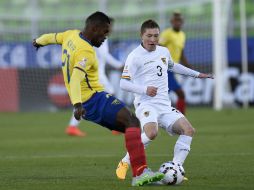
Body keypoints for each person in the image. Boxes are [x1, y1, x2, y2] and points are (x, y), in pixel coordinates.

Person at [32, 11, 164, 186]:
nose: (105, 37)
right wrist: (77, 104)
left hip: (92, 100)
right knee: (132, 122)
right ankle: (140, 173)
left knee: (132, 127)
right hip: (93, 100)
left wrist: (38, 41)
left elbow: (52, 37)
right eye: (104, 32)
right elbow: (77, 78)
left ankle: (140, 171)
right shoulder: (85, 51)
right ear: (94, 28)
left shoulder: (70, 35)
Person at [115, 19, 213, 181]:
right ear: (142, 36)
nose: (153, 39)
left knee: (188, 130)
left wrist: (198, 74)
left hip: (164, 105)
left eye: (156, 36)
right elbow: (123, 83)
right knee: (152, 133)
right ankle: (125, 161)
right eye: (149, 36)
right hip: (145, 104)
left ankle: (175, 168)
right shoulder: (134, 57)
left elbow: (174, 66)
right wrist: (144, 89)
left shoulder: (163, 51)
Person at [65, 17, 123, 137]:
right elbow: (104, 55)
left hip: (94, 73)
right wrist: (119, 65)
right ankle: (115, 125)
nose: (111, 29)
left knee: (86, 100)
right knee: (110, 95)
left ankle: (72, 126)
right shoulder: (100, 37)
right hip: (95, 75)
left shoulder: (97, 37)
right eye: (109, 26)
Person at [159, 11, 192, 115]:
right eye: (175, 21)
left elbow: (181, 52)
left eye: (179, 21)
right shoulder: (167, 33)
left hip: (174, 68)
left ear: (182, 22)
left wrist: (187, 65)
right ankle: (179, 118)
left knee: (171, 95)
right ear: (171, 22)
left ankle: (178, 117)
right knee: (179, 93)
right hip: (165, 68)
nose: (177, 23)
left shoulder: (182, 35)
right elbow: (158, 47)